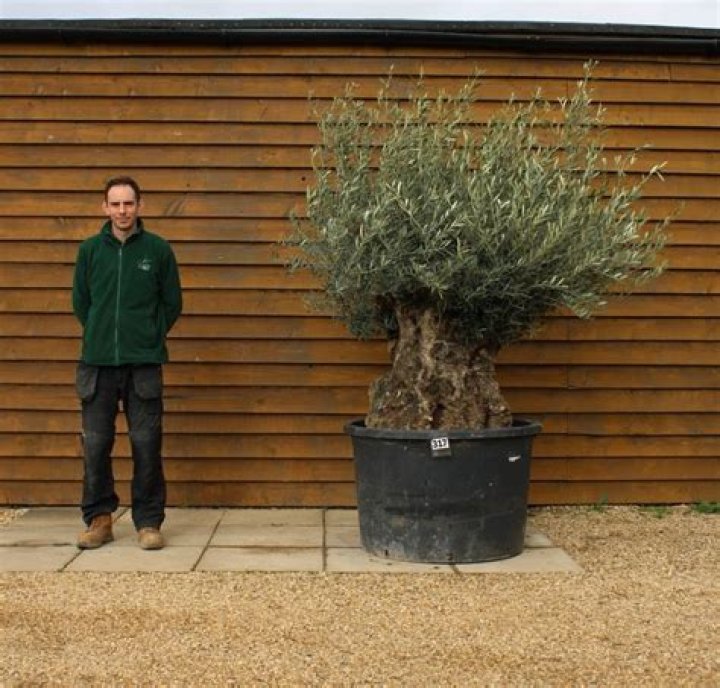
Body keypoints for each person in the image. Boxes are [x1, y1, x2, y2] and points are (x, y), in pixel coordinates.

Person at [72, 176, 182, 550]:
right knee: (95, 445)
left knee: (146, 445)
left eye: (129, 203)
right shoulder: (89, 251)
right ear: (105, 207)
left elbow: (172, 303)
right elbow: (81, 303)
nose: (122, 210)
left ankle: (148, 522)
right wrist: (101, 332)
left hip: (143, 364)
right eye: (116, 204)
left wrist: (148, 335)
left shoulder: (158, 250)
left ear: (140, 206)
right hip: (97, 364)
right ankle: (99, 520)